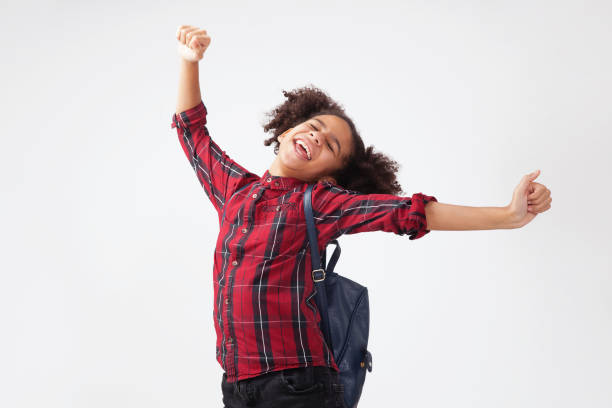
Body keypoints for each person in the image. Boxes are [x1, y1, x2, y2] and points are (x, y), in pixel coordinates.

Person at [171, 25, 553, 408]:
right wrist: (190, 62)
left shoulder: (319, 202)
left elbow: (408, 213)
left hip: (297, 385)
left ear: (330, 176)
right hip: (235, 383)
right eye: (314, 127)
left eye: (331, 145)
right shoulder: (235, 190)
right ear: (287, 130)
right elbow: (192, 132)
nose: (318, 137)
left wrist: (508, 215)